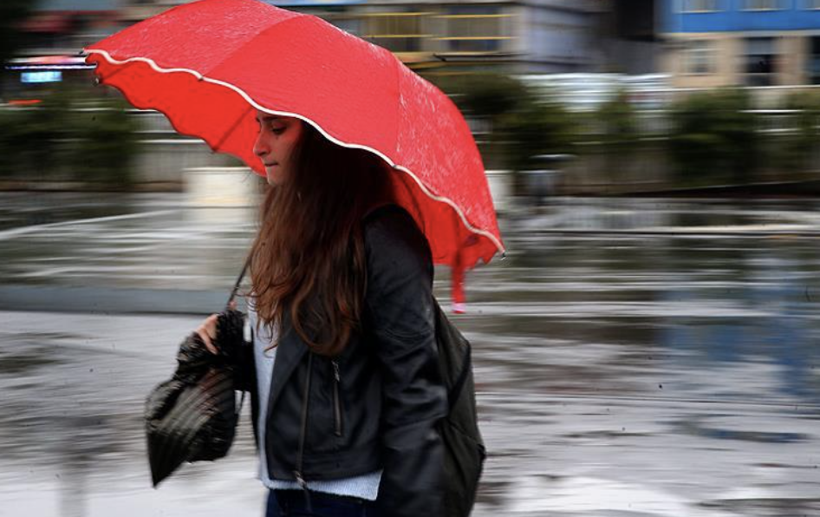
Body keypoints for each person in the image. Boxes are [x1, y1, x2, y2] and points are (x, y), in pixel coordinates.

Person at [194, 109, 448, 517]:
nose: (259, 146)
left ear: (325, 140)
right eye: (259, 127)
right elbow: (297, 370)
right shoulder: (289, 228)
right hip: (283, 489)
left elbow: (415, 391)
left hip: (348, 498)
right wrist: (229, 355)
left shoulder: (382, 238)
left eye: (278, 129)